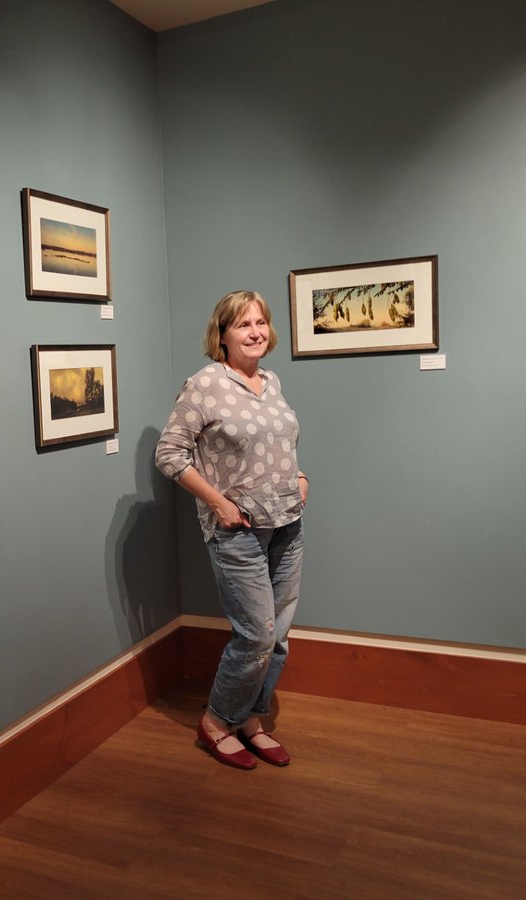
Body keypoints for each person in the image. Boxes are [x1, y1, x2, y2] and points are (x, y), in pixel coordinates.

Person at [155, 290, 307, 769]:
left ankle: (252, 720)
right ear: (222, 334)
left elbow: (278, 441)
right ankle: (218, 721)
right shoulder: (204, 384)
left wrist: (300, 476)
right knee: (257, 635)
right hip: (238, 527)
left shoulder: (272, 381)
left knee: (278, 635)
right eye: (243, 325)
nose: (255, 332)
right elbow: (169, 454)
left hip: (287, 523)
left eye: (260, 322)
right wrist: (217, 502)